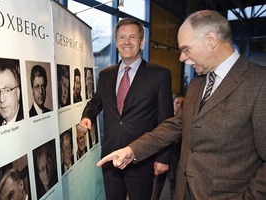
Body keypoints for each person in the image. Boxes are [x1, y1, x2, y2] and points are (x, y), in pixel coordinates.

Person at [97, 10, 266, 200]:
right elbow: (175, 125)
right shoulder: (198, 83)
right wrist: (132, 150)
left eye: (186, 49)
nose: (182, 58)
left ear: (210, 40)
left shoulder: (260, 83)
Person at [79, 17, 173, 200]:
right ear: (116, 42)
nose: (127, 42)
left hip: (141, 158)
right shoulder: (106, 74)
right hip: (110, 156)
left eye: (132, 37)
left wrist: (163, 157)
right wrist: (87, 116)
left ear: (142, 41)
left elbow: (166, 121)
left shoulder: (159, 75)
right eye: (122, 37)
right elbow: (97, 102)